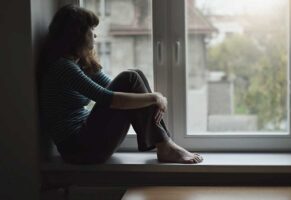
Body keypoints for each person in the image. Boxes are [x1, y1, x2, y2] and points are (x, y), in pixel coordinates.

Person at [37, 4, 203, 164]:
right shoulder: (63, 67)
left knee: (134, 75)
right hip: (78, 149)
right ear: (77, 34)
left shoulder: (79, 63)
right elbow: (108, 98)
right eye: (91, 30)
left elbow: (114, 87)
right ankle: (165, 145)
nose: (95, 36)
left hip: (87, 141)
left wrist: (152, 97)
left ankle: (164, 144)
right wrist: (154, 98)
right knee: (130, 77)